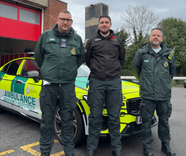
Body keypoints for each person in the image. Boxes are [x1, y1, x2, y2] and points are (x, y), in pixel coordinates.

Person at [34, 10, 85, 156]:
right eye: (62, 19)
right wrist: (48, 70)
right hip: (49, 84)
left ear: (72, 22)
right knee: (47, 119)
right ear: (57, 20)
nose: (65, 22)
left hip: (68, 85)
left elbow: (80, 58)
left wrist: (68, 71)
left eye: (68, 20)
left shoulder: (76, 39)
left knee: (67, 119)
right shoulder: (46, 36)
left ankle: (69, 152)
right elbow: (39, 58)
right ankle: (45, 152)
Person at [85, 15, 125, 156]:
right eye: (101, 22)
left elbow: (121, 59)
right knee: (95, 116)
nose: (104, 24)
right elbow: (88, 59)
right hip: (97, 81)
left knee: (114, 117)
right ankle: (91, 148)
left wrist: (113, 71)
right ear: (98, 25)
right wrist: (98, 70)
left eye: (106, 22)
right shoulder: (92, 41)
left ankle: (116, 149)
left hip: (114, 82)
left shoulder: (117, 40)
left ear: (110, 24)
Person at [132, 28, 176, 156]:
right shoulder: (141, 52)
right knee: (145, 123)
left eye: (158, 35)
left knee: (164, 121)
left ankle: (165, 145)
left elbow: (171, 72)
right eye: (153, 35)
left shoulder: (169, 54)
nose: (155, 37)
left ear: (161, 38)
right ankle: (146, 148)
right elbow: (135, 69)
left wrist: (164, 83)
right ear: (149, 37)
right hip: (148, 95)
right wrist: (144, 82)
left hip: (164, 95)